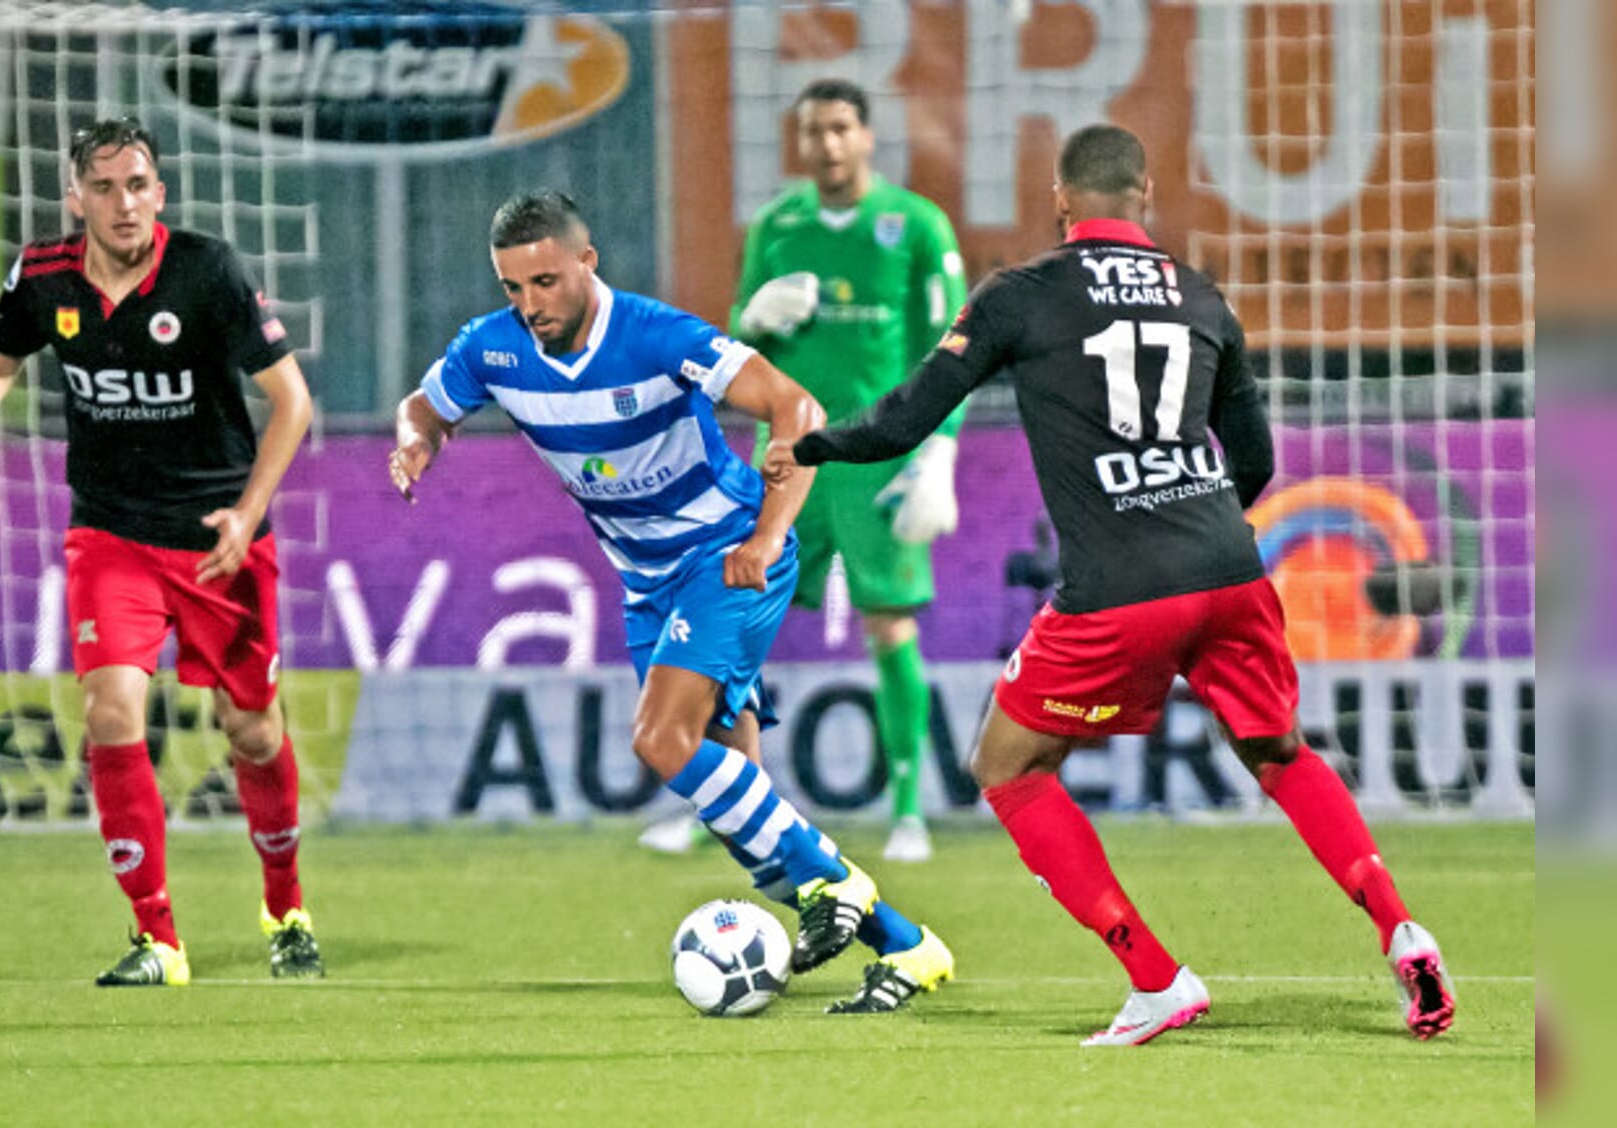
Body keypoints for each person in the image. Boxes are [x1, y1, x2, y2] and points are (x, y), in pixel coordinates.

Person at [770, 125, 1456, 1045]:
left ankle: (1157, 977)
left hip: (1118, 589)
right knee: (1279, 752)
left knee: (1006, 769)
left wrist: (811, 444)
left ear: (1062, 201)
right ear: (1148, 192)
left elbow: (907, 417)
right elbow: (1254, 459)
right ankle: (1399, 925)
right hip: (1228, 568)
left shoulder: (1019, 295)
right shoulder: (1201, 295)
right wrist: (1194, 519)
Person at [389, 189, 953, 1013]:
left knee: (661, 739)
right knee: (740, 810)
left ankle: (841, 885)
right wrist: (417, 440)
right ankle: (910, 946)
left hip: (724, 558)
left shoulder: (657, 335)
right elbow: (425, 405)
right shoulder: (494, 349)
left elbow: (797, 407)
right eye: (512, 288)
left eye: (544, 282)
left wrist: (764, 540)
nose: (528, 305)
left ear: (587, 261)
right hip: (646, 583)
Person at [0, 118, 322, 987]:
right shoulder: (44, 277)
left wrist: (246, 512)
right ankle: (158, 939)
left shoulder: (208, 270)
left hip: (219, 539)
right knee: (111, 714)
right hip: (110, 535)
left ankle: (286, 907)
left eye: (138, 184)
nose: (124, 203)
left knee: (253, 729)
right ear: (75, 198)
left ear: (160, 193)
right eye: (104, 187)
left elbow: (290, 402)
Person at [671, 77, 966, 864]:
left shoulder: (916, 227)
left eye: (842, 128)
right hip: (790, 453)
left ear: (867, 136)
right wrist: (752, 321)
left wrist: (941, 452)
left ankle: (909, 810)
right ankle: (711, 792)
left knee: (889, 622)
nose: (829, 144)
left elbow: (952, 350)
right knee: (734, 617)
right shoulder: (777, 225)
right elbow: (738, 335)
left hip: (879, 458)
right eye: (815, 132)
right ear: (800, 143)